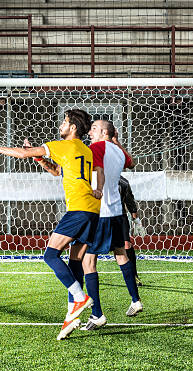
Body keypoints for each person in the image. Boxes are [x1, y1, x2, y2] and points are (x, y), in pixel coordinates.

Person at [0, 109, 100, 340]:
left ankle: (80, 298)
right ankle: (72, 315)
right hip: (92, 211)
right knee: (75, 262)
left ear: (72, 128)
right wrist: (39, 158)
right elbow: (58, 170)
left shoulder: (63, 145)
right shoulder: (85, 150)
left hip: (78, 209)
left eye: (64, 122)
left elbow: (21, 153)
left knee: (50, 255)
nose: (61, 125)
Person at [79, 119, 142, 331]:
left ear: (105, 132)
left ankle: (96, 314)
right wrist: (117, 141)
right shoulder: (117, 150)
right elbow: (131, 163)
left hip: (102, 212)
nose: (90, 132)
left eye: (95, 128)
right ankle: (135, 300)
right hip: (117, 212)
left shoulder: (97, 147)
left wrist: (96, 190)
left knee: (88, 262)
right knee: (120, 254)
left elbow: (98, 171)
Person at [119, 175, 144, 286]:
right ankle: (85, 273)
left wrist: (137, 221)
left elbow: (130, 200)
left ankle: (134, 276)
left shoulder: (123, 182)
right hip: (99, 217)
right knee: (90, 248)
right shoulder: (95, 178)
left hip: (120, 216)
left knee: (126, 245)